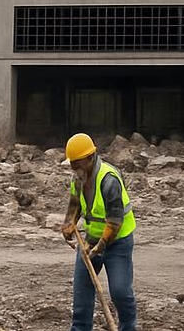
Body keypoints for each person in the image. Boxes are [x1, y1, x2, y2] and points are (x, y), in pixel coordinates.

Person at [60, 133, 137, 331]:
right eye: (72, 165)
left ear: (91, 158)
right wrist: (69, 223)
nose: (75, 169)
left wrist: (99, 248)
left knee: (120, 291)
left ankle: (128, 327)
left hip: (117, 242)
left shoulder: (109, 180)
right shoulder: (78, 178)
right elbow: (75, 204)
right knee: (82, 293)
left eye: (78, 164)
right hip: (90, 239)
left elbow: (115, 221)